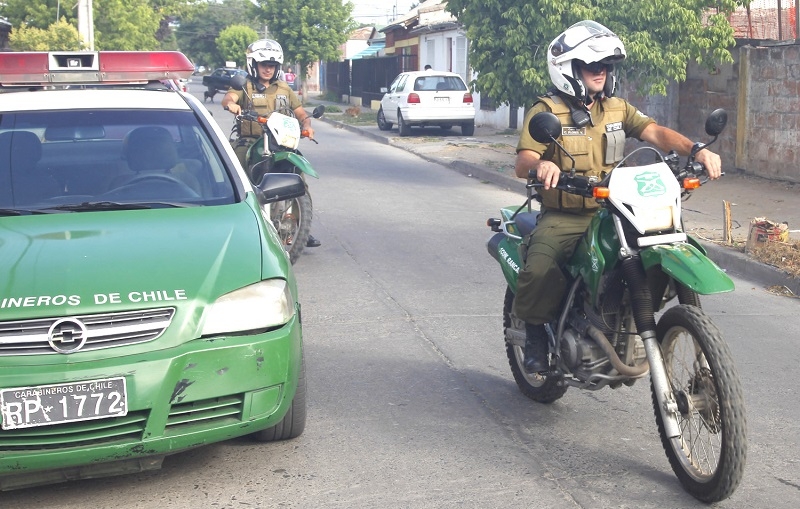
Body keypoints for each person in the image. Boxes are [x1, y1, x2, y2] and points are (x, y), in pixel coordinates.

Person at [513, 20, 722, 374]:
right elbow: (524, 161)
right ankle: (534, 332)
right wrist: (542, 168)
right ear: (569, 69)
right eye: (593, 65)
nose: (601, 71)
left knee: (663, 242)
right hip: (569, 213)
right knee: (541, 265)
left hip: (617, 207)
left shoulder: (616, 108)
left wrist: (696, 150)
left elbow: (654, 131)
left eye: (605, 66)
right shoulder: (546, 112)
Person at [222, 39, 321, 248]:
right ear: (254, 65)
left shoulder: (284, 89)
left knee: (298, 178)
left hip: (279, 142)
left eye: (272, 65)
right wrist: (231, 104)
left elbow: (301, 113)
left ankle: (299, 228)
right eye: (264, 64)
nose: (268, 69)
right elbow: (229, 97)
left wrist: (307, 125)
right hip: (249, 142)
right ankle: (234, 226)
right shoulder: (245, 85)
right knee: (235, 178)